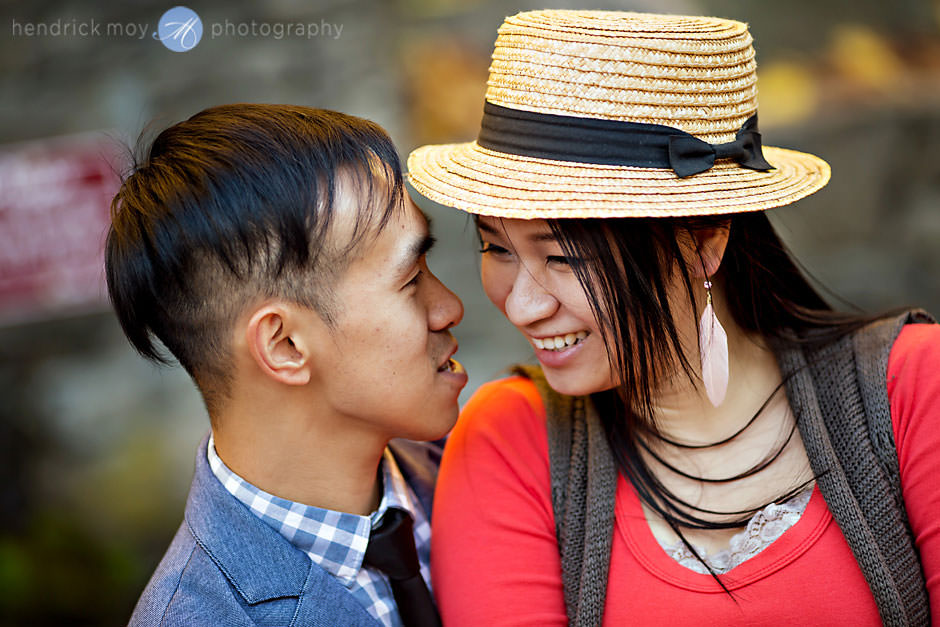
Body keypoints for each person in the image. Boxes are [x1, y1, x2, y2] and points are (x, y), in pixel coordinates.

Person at [407, 10, 940, 626]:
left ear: (705, 241)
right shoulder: (512, 440)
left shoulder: (910, 386)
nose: (522, 305)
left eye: (562, 257)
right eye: (496, 247)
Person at [107, 104, 467, 626]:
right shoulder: (199, 616)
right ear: (285, 346)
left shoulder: (492, 465)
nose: (449, 307)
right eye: (410, 281)